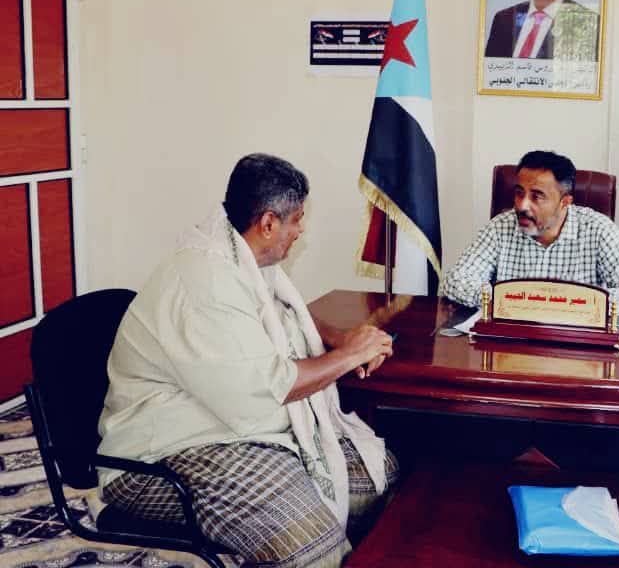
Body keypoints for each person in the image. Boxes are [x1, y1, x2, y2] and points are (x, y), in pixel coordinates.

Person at [97, 154, 398, 568]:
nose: (301, 230)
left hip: (232, 422)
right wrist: (350, 355)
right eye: (298, 219)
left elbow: (282, 312)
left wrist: (338, 338)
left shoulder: (241, 251)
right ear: (269, 223)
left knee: (377, 478)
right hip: (168, 450)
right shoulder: (206, 280)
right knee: (311, 544)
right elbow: (271, 386)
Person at [440, 150, 619, 313]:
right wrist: (507, 299)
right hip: (510, 341)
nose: (522, 206)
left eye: (537, 196)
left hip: (574, 344)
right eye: (519, 193)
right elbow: (455, 281)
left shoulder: (599, 230)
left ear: (565, 202)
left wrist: (569, 304)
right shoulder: (501, 226)